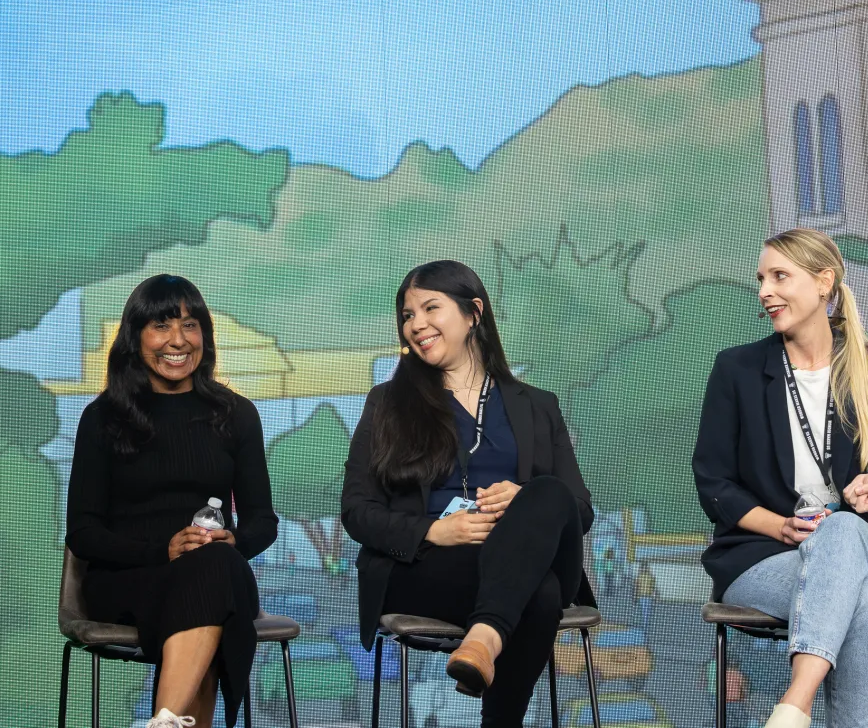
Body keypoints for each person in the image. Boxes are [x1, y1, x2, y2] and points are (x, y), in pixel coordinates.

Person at [340, 260, 595, 727]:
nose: (416, 325)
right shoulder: (387, 403)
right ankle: (491, 669)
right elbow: (357, 512)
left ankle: (482, 639)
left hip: (522, 552)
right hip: (427, 566)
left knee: (549, 493)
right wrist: (436, 531)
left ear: (473, 312)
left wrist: (522, 499)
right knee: (541, 593)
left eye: (430, 308)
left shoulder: (538, 405)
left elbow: (578, 509)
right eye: (407, 315)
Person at [692, 228, 868, 728]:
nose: (764, 291)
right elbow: (713, 482)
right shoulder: (736, 369)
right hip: (762, 557)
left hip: (861, 548)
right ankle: (798, 710)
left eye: (780, 276)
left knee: (842, 529)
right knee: (866, 604)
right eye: (761, 279)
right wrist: (777, 526)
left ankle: (794, 703)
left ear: (825, 283)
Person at [66, 275, 278, 728]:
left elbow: (263, 521)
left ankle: (164, 722)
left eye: (190, 325)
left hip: (213, 573)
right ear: (135, 336)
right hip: (128, 579)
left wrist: (232, 539)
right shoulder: (103, 418)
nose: (178, 340)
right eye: (161, 326)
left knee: (216, 567)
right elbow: (83, 533)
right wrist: (161, 551)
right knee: (216, 585)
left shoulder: (236, 414)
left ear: (205, 335)